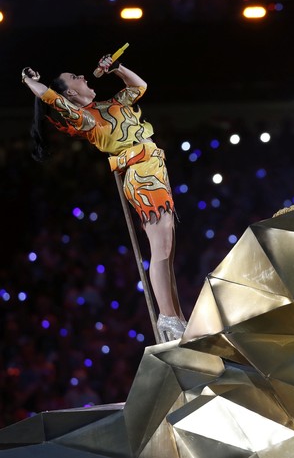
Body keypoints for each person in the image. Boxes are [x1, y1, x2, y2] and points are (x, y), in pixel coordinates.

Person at [21, 55, 186, 341]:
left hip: (156, 171)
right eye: (76, 77)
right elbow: (52, 98)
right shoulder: (86, 119)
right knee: (160, 248)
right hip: (142, 175)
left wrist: (117, 69)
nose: (83, 77)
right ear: (71, 92)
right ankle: (169, 318)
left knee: (167, 250)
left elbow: (140, 86)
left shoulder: (112, 105)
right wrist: (29, 81)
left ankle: (176, 315)